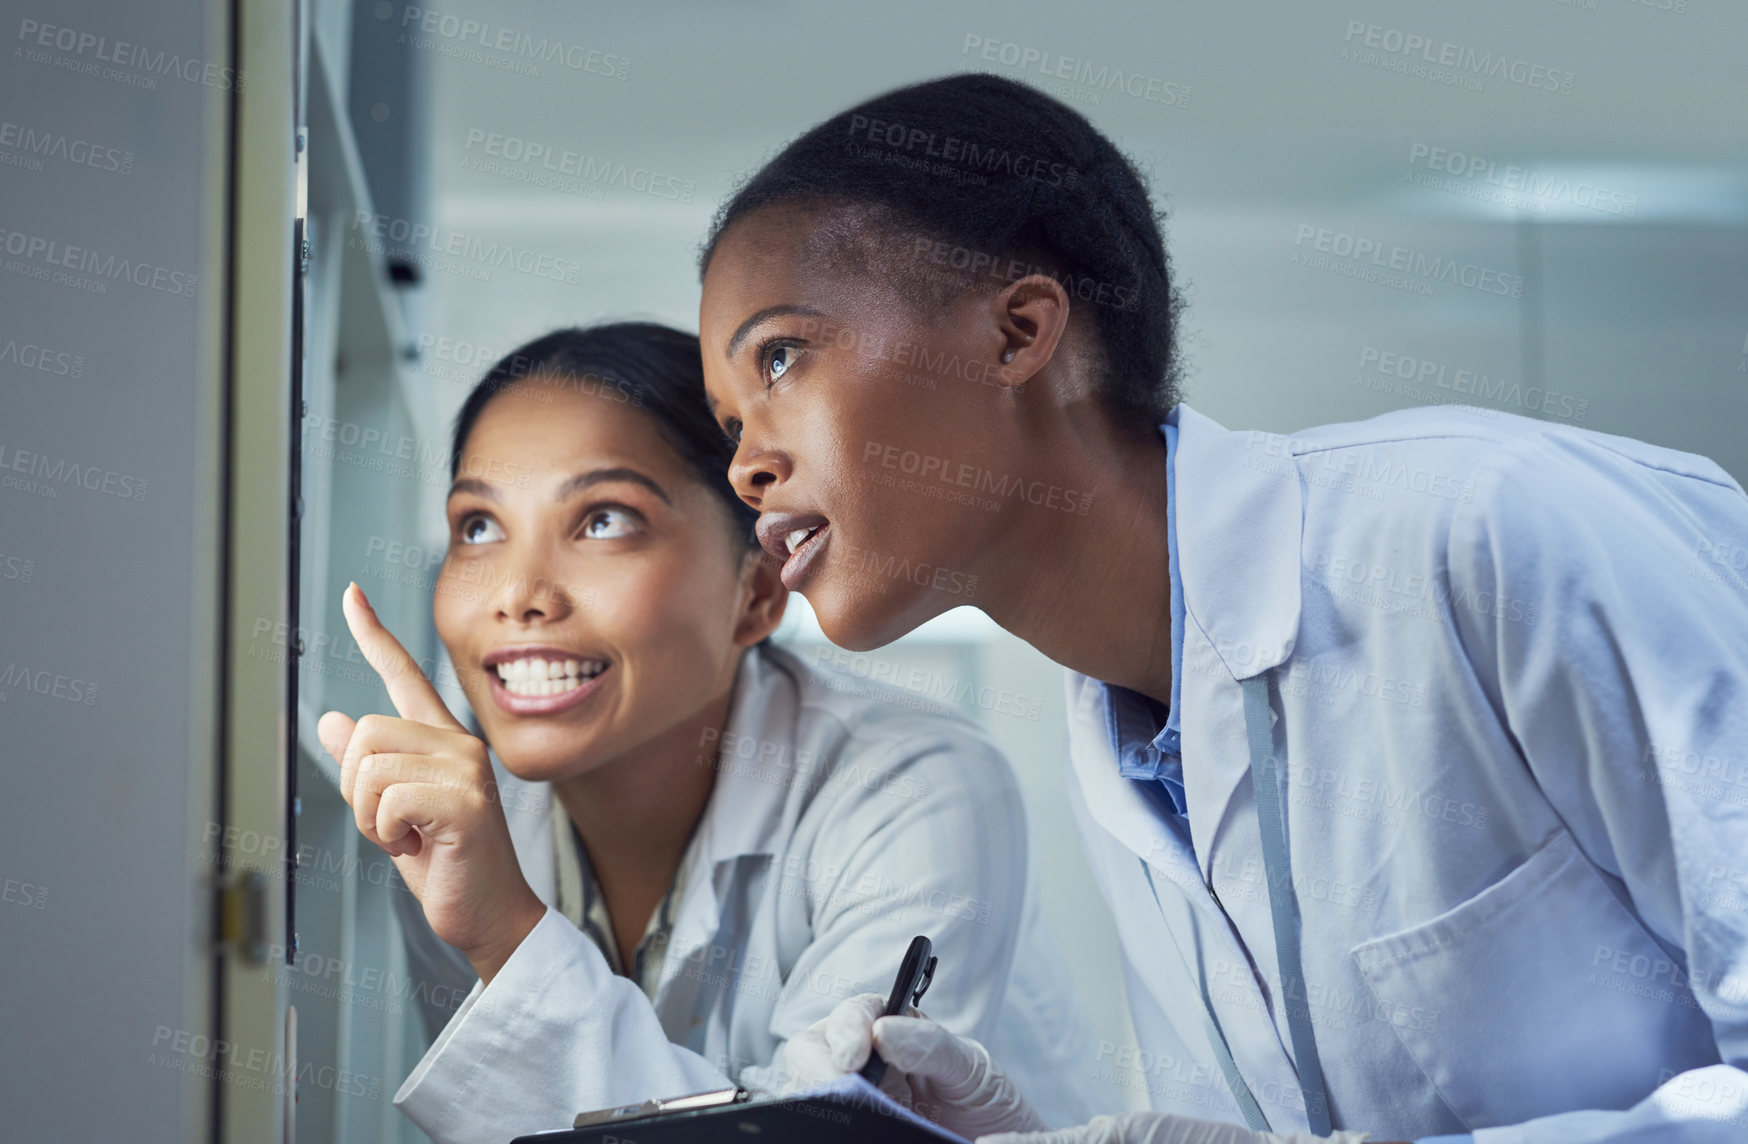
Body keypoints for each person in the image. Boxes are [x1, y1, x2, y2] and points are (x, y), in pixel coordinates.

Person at [693, 73, 1748, 1143]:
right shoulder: (1121, 735)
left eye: (780, 357)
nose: (742, 467)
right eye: (728, 420)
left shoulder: (1482, 526)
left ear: (1015, 334)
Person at [314, 323, 1097, 1144]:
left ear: (757, 594)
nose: (520, 594)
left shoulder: (916, 784)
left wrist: (507, 935)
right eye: (478, 526)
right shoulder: (455, 819)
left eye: (605, 520)